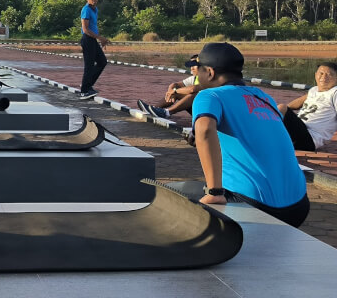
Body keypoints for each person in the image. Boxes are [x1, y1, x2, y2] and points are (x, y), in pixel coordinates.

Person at [190, 42, 309, 227]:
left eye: (198, 71)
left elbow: (205, 129)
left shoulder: (209, 95)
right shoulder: (264, 97)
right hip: (299, 206)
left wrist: (214, 192)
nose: (196, 76)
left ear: (210, 73)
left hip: (253, 205)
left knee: (180, 198)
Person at [277, 62, 337, 152]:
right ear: (315, 75)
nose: (324, 77)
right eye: (321, 73)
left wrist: (282, 110)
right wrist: (281, 111)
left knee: (281, 108)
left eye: (329, 74)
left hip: (310, 138)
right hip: (299, 130)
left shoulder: (334, 93)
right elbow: (298, 102)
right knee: (274, 109)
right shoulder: (314, 90)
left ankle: (263, 138)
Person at [138, 54, 201, 118]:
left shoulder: (206, 79)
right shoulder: (194, 78)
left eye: (194, 65)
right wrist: (170, 91)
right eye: (191, 66)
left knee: (192, 95)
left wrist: (175, 91)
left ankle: (166, 113)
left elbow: (192, 89)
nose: (191, 68)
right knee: (176, 93)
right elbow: (175, 84)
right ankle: (154, 109)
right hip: (198, 108)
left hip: (205, 111)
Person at [79, 0, 109, 100]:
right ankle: (84, 91)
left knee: (102, 61)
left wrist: (100, 39)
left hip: (92, 40)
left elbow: (93, 27)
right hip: (87, 39)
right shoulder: (86, 9)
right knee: (89, 65)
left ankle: (87, 85)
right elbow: (85, 29)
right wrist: (100, 38)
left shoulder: (95, 9)